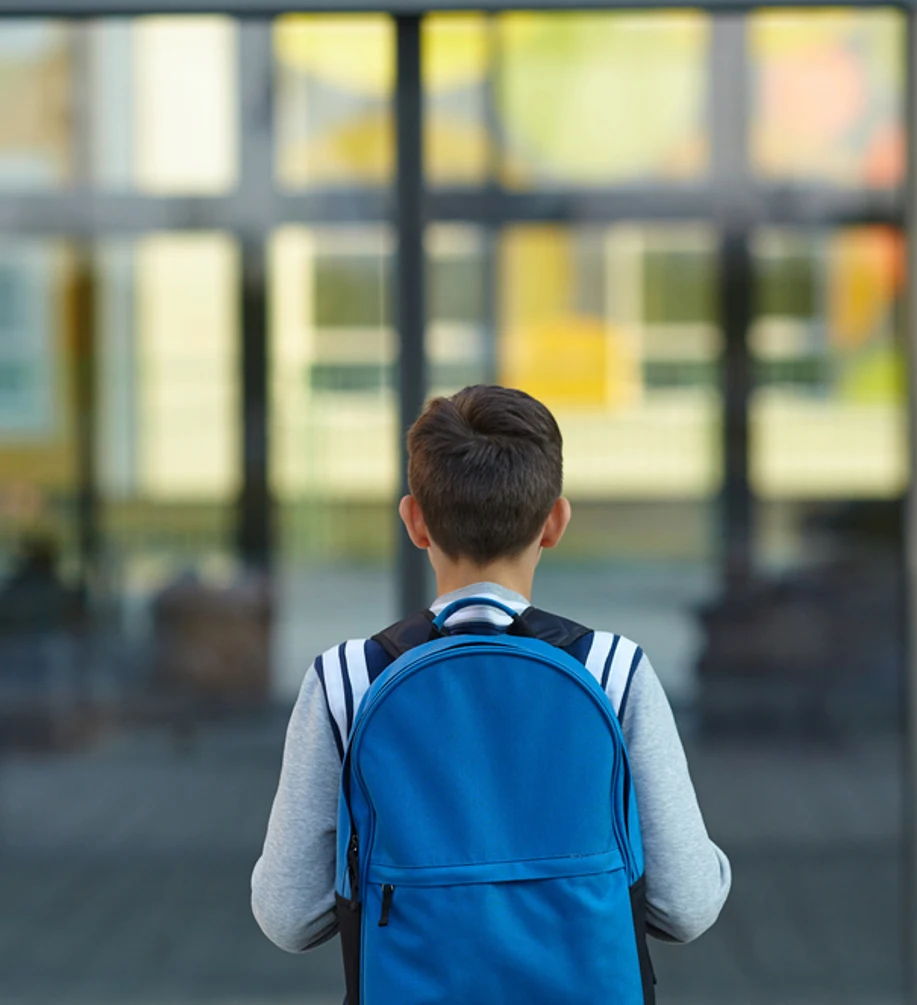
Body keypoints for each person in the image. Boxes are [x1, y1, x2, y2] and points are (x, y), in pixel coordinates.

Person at [251, 384, 731, 979]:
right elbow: (685, 907)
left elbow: (288, 916)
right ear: (555, 521)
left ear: (415, 520)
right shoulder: (612, 672)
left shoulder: (348, 680)